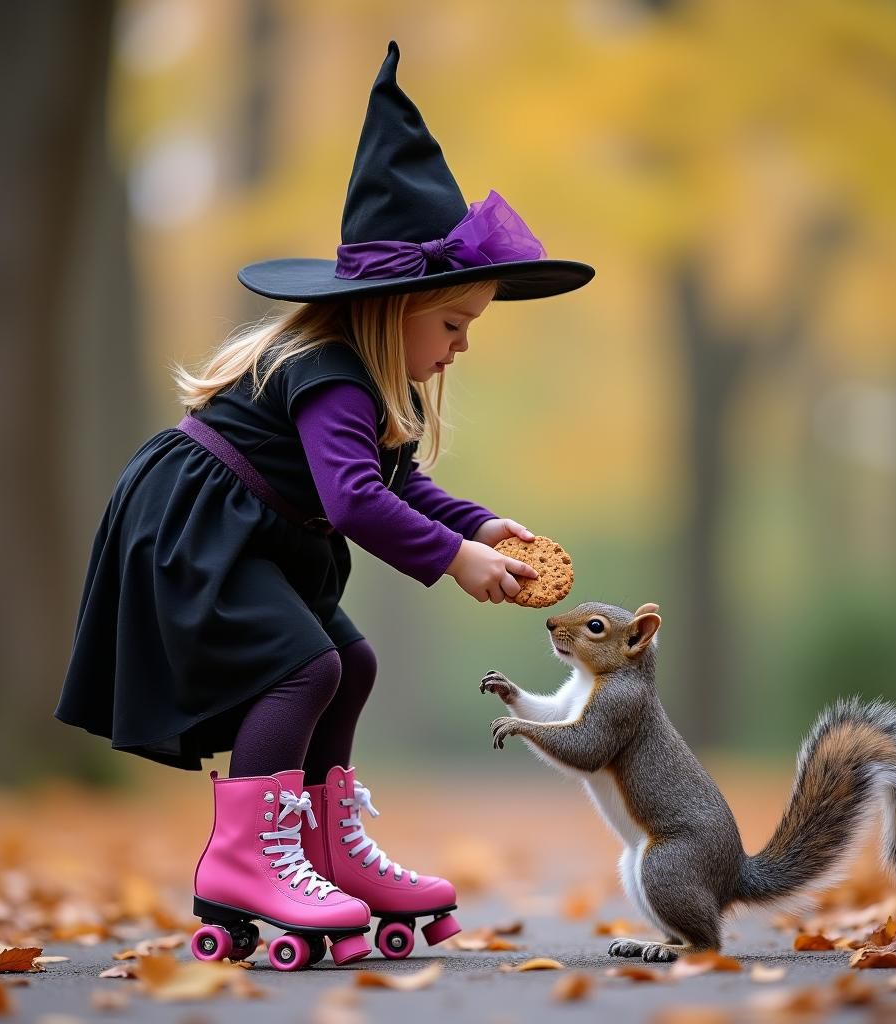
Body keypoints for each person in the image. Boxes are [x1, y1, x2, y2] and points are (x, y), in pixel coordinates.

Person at [54, 40, 594, 969]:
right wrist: (452, 561)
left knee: (351, 659)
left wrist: (476, 524)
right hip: (193, 528)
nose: (462, 347)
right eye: (454, 324)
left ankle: (322, 848)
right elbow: (349, 501)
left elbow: (391, 481)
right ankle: (245, 860)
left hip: (253, 531)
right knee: (301, 667)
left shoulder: (376, 390)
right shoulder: (331, 372)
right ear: (395, 307)